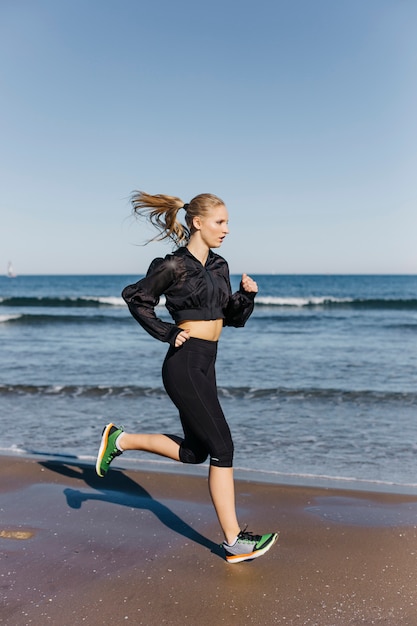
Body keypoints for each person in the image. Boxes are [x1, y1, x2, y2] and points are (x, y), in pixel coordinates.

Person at [96, 190, 278, 563]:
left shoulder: (219, 266)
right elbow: (136, 297)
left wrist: (248, 297)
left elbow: (231, 317)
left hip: (206, 363)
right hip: (184, 363)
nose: (226, 229)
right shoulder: (172, 266)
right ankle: (234, 541)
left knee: (197, 452)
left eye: (227, 222)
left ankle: (121, 439)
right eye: (220, 222)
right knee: (223, 447)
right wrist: (166, 332)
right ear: (197, 222)